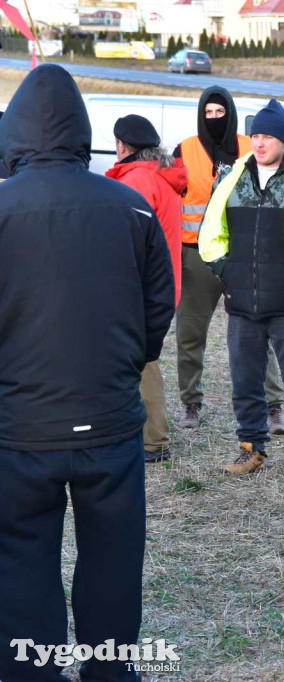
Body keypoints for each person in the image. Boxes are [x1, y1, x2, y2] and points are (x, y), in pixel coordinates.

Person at [0, 64, 175, 682]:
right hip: (107, 421)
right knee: (113, 559)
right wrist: (123, 364)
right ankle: (108, 671)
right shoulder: (129, 207)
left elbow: (158, 307)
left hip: (21, 429)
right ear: (82, 131)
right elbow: (159, 308)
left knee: (21, 559)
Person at [198, 99, 284, 483]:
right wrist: (227, 273)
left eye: (268, 136)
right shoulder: (231, 179)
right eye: (255, 135)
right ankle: (251, 448)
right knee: (244, 381)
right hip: (242, 302)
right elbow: (210, 231)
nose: (259, 143)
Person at [175, 86, 284, 433]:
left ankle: (273, 406)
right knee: (190, 334)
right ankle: (190, 404)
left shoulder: (249, 146)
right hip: (195, 255)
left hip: (243, 254)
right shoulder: (186, 149)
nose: (213, 118)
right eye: (207, 113)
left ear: (231, 113)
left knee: (258, 331)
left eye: (219, 112)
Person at [105, 114, 189, 464]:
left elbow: (128, 242)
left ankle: (154, 441)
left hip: (143, 288)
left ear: (122, 145)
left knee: (143, 363)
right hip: (164, 284)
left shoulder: (137, 180)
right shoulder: (159, 175)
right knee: (142, 360)